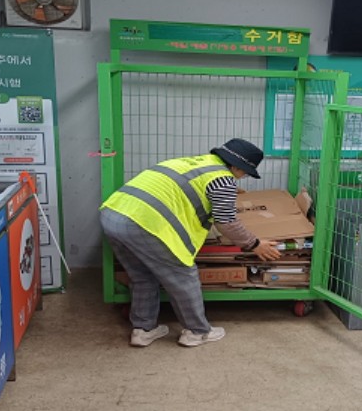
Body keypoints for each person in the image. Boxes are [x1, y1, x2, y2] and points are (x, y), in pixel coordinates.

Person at [99, 138, 281, 348]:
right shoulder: (223, 180)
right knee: (184, 276)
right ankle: (197, 332)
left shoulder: (197, 163)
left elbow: (188, 189)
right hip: (143, 225)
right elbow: (227, 223)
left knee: (142, 276)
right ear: (236, 167)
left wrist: (228, 192)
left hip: (112, 216)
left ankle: (143, 330)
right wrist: (255, 244)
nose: (244, 177)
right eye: (246, 173)